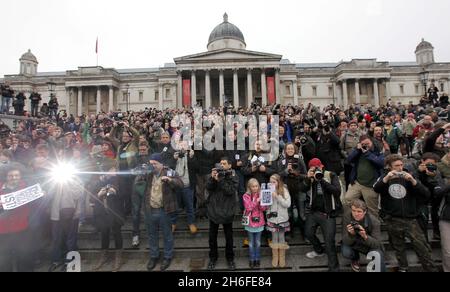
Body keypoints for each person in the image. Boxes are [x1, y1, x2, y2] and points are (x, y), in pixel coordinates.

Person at [374, 154, 438, 272]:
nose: (400, 168)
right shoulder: (385, 177)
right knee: (399, 249)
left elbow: (426, 193)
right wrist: (387, 178)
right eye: (396, 166)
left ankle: (431, 269)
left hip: (411, 219)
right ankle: (403, 269)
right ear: (389, 167)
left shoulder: (409, 176)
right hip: (392, 219)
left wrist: (413, 181)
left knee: (422, 248)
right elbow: (376, 188)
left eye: (401, 165)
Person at [301, 158, 342, 272]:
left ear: (322, 166)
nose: (317, 170)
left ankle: (334, 268)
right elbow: (302, 189)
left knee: (329, 242)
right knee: (308, 233)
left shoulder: (331, 175)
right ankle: (319, 250)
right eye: (314, 169)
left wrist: (322, 180)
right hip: (314, 212)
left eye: (318, 168)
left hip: (328, 213)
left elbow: (337, 191)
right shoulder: (311, 177)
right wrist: (308, 178)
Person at [145, 153, 183, 271]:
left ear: (161, 164)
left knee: (167, 235)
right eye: (151, 164)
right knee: (152, 235)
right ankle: (154, 256)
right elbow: (138, 184)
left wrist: (170, 180)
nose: (153, 166)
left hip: (164, 210)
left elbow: (181, 184)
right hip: (150, 209)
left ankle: (167, 256)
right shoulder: (148, 174)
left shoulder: (169, 172)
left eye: (155, 164)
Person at [90, 159, 125, 272]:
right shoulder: (98, 181)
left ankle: (118, 257)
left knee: (117, 233)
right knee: (104, 234)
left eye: (114, 169)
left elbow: (123, 193)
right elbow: (91, 198)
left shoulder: (118, 179)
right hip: (102, 213)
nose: (114, 171)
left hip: (115, 212)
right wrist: (99, 193)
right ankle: (103, 256)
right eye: (112, 169)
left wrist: (114, 190)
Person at [206, 157, 239, 271]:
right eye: (220, 164)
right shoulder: (214, 174)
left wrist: (221, 180)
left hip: (227, 210)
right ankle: (213, 258)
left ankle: (230, 259)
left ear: (229, 165)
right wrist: (212, 178)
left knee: (229, 237)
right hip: (214, 210)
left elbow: (230, 191)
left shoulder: (233, 176)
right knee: (212, 237)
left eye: (224, 164)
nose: (222, 166)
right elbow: (208, 187)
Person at [0, 164, 34, 271]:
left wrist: (42, 194)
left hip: (22, 228)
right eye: (11, 176)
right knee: (4, 259)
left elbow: (36, 205)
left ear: (20, 176)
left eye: (16, 175)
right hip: (3, 230)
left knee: (24, 257)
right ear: (6, 176)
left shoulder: (26, 188)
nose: (14, 178)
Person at [344, 135, 384, 217]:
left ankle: (373, 225)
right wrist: (356, 149)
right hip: (357, 183)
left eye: (367, 143)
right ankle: (355, 216)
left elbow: (381, 163)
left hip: (371, 185)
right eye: (363, 144)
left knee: (372, 209)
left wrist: (367, 153)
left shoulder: (378, 150)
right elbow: (348, 160)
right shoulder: (358, 152)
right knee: (348, 199)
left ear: (371, 142)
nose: (366, 145)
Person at [342, 199, 385, 272]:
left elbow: (377, 245)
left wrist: (365, 236)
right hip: (354, 242)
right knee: (346, 252)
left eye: (359, 211)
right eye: (353, 210)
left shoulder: (374, 221)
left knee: (377, 255)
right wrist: (351, 234)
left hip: (367, 245)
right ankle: (355, 258)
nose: (356, 214)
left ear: (365, 212)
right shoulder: (347, 217)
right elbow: (345, 241)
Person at [266, 174, 291, 268]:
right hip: (272, 219)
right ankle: (275, 257)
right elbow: (266, 206)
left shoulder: (284, 190)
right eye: (270, 182)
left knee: (281, 237)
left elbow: (287, 204)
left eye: (274, 182)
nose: (272, 184)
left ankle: (282, 257)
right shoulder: (267, 191)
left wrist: (277, 196)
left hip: (282, 219)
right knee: (274, 238)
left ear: (278, 182)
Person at [242, 179, 267, 269]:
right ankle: (252, 259)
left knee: (258, 242)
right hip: (250, 223)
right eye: (253, 186)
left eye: (256, 186)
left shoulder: (261, 194)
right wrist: (257, 200)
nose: (255, 188)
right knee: (251, 243)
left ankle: (257, 258)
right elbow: (248, 208)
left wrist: (260, 201)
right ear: (249, 187)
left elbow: (263, 208)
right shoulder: (246, 196)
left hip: (259, 222)